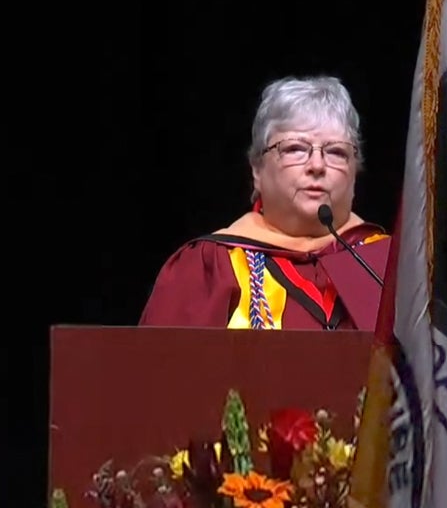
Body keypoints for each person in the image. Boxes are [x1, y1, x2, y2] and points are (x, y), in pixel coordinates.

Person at [141, 76, 392, 329]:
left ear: (355, 173)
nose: (317, 165)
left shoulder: (392, 268)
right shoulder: (208, 267)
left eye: (336, 152)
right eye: (295, 148)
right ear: (257, 171)